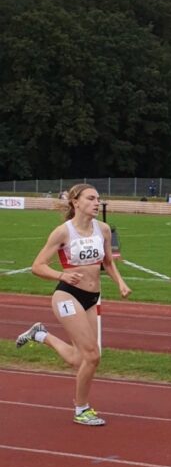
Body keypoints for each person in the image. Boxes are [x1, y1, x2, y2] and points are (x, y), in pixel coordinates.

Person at [14, 183, 132, 426]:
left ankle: (41, 335)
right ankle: (81, 409)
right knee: (93, 356)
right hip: (67, 295)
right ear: (75, 202)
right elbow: (37, 266)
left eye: (98, 198)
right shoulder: (63, 232)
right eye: (91, 198)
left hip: (92, 297)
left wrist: (120, 283)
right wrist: (61, 275)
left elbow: (108, 262)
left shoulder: (104, 230)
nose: (97, 202)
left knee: (81, 359)